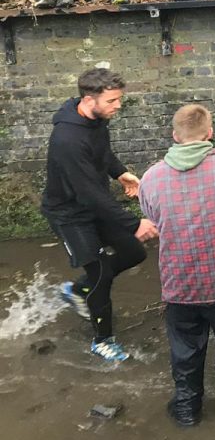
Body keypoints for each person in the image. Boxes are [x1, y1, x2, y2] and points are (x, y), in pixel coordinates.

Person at [138, 103, 215, 425]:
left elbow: (151, 216)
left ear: (174, 135)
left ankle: (186, 409)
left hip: (180, 282)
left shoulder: (151, 177)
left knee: (185, 349)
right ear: (209, 133)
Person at [43, 69, 156, 363]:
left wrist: (120, 174)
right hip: (70, 213)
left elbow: (102, 153)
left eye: (119, 99)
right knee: (101, 275)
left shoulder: (97, 120)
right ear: (88, 99)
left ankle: (77, 290)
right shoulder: (66, 139)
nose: (117, 105)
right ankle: (103, 341)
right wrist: (134, 222)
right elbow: (89, 193)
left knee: (133, 253)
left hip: (93, 205)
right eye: (112, 100)